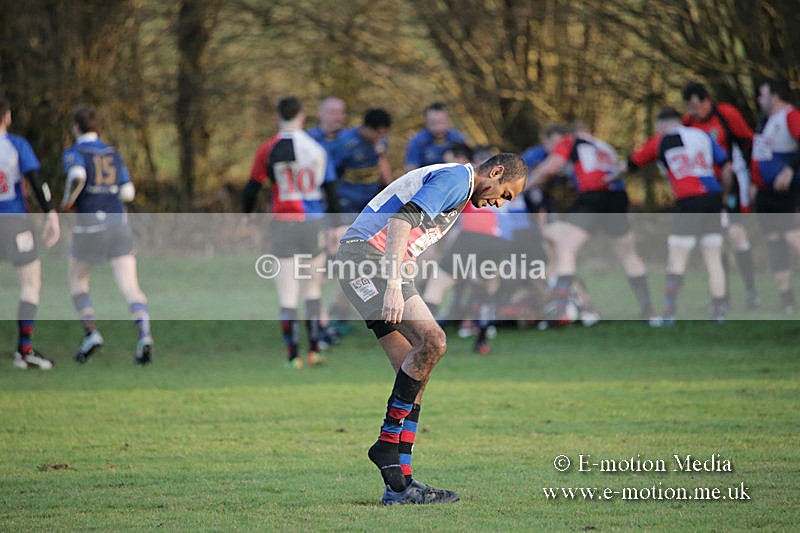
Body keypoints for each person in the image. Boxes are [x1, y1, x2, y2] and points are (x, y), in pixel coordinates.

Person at [335, 152, 527, 505]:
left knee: (414, 372)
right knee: (435, 341)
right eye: (504, 194)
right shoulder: (457, 180)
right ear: (496, 172)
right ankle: (385, 445)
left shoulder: (457, 187)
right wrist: (394, 284)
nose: (499, 204)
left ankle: (400, 484)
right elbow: (400, 221)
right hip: (367, 259)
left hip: (361, 261)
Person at [243, 96, 339, 369]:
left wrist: (247, 219)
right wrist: (333, 227)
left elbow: (251, 188)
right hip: (313, 223)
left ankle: (292, 356)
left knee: (287, 293)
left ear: (277, 117)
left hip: (283, 223)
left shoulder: (268, 149)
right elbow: (331, 191)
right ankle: (315, 351)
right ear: (302, 117)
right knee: (312, 288)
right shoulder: (316, 148)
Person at [527, 123, 655, 323]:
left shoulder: (570, 141)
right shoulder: (604, 146)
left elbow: (550, 167)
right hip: (617, 197)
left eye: (551, 143)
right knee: (629, 255)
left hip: (593, 198)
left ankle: (561, 309)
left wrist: (523, 187)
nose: (550, 147)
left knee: (566, 249)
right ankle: (649, 312)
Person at [623, 106, 733, 323]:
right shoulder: (702, 135)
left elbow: (631, 164)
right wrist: (724, 198)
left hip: (689, 200)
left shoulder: (661, 140)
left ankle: (669, 313)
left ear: (661, 125)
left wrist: (609, 178)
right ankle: (718, 312)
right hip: (713, 198)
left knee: (677, 257)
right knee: (713, 257)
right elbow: (727, 167)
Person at [62, 104, 153, 365]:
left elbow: (78, 175)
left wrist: (68, 201)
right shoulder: (113, 154)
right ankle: (145, 335)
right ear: (98, 128)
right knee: (130, 286)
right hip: (118, 226)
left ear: (76, 127)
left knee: (78, 281)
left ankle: (91, 333)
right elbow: (128, 193)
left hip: (90, 227)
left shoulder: (75, 152)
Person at [682, 81, 760, 309]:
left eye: (696, 106)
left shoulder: (726, 114)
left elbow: (749, 143)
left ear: (707, 100)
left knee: (736, 235)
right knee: (715, 240)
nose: (694, 112)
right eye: (689, 107)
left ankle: (751, 292)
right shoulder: (688, 125)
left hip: (734, 182)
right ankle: (722, 296)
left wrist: (754, 178)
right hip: (708, 190)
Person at [0, 99, 60, 369]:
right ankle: (24, 351)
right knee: (30, 283)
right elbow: (35, 180)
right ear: (7, 117)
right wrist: (50, 212)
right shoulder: (16, 145)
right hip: (13, 223)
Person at [750, 77, 800, 313]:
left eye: (762, 95)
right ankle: (786, 299)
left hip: (784, 193)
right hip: (765, 194)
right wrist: (754, 181)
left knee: (793, 237)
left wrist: (790, 169)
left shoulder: (790, 116)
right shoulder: (766, 121)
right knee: (774, 241)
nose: (760, 100)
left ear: (775, 96)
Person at [403, 102, 467, 171]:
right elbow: (410, 168)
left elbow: (466, 164)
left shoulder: (457, 139)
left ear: (447, 120)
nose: (438, 128)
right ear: (426, 122)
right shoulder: (417, 142)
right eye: (433, 123)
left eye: (441, 122)